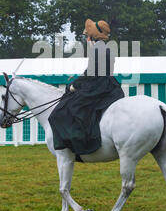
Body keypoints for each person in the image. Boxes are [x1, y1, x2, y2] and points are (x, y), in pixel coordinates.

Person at [48, 19, 124, 157]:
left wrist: (75, 84)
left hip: (97, 86)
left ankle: (78, 141)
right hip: (110, 85)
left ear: (93, 36)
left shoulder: (96, 49)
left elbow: (91, 73)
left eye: (88, 36)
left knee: (71, 107)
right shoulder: (108, 49)